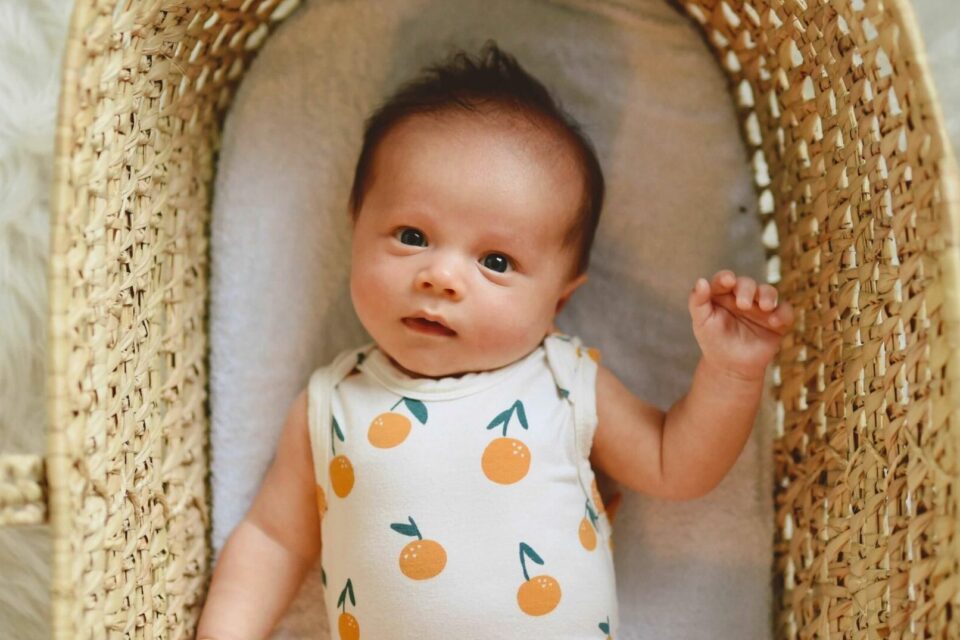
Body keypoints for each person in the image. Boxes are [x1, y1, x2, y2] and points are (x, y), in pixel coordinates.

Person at [196, 40, 794, 639]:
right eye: (411, 234)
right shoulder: (330, 407)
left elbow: (675, 464)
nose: (441, 276)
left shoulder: (561, 380)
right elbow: (273, 540)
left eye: (497, 261)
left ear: (559, 299)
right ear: (356, 231)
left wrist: (730, 373)